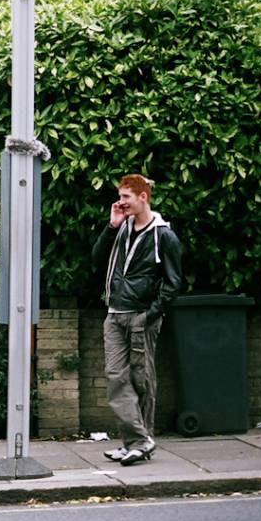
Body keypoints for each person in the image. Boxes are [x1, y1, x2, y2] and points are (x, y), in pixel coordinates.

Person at [92, 174, 182, 466]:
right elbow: (97, 259)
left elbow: (173, 282)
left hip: (141, 316)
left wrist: (150, 314)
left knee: (141, 379)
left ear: (143, 197)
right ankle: (138, 441)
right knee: (116, 377)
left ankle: (139, 441)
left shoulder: (163, 235)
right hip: (115, 314)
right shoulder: (121, 228)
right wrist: (112, 226)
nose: (121, 202)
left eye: (126, 197)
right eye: (120, 197)